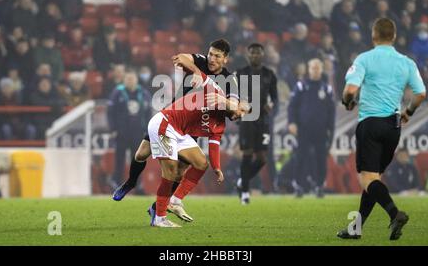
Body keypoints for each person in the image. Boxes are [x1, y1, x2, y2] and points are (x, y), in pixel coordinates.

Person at [112, 39, 242, 217]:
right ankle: (131, 182)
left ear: (226, 59)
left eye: (217, 56)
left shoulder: (230, 79)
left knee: (180, 171)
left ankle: (157, 208)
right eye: (211, 54)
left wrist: (224, 101)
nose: (212, 59)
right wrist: (196, 71)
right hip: (174, 117)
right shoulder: (200, 61)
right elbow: (179, 58)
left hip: (193, 127)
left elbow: (236, 108)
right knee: (141, 153)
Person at [338, 18, 426, 240]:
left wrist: (347, 101)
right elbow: (421, 94)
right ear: (394, 36)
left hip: (371, 123)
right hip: (393, 126)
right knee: (373, 180)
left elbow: (350, 90)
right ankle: (356, 228)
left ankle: (395, 214)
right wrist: (409, 112)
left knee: (368, 180)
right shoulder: (407, 62)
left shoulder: (365, 59)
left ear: (373, 35)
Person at [233, 42, 278, 203]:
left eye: (258, 53)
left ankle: (241, 182)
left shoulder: (269, 74)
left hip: (263, 120)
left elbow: (275, 98)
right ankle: (245, 191)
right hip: (247, 119)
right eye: (252, 53)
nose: (255, 55)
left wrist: (271, 106)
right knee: (247, 153)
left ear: (262, 55)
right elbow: (232, 97)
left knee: (262, 158)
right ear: (248, 55)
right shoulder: (240, 74)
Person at [288, 59, 335, 198]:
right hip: (303, 129)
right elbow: (292, 106)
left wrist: (330, 128)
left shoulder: (327, 88)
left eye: (317, 68)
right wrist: (292, 122)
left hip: (321, 130)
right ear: (309, 70)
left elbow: (332, 111)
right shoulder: (301, 86)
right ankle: (298, 185)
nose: (315, 70)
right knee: (301, 157)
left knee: (321, 158)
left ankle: (319, 185)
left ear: (321, 70)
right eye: (313, 68)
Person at [107, 68, 152, 189]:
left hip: (138, 133)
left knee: (138, 159)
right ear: (124, 80)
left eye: (132, 79)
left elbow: (148, 113)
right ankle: (116, 183)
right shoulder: (117, 92)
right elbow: (110, 112)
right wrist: (113, 129)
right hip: (121, 132)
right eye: (128, 79)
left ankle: (138, 184)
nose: (130, 81)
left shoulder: (144, 93)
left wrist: (148, 131)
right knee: (119, 159)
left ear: (136, 80)